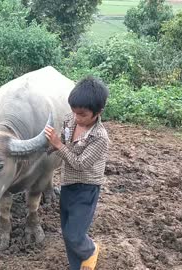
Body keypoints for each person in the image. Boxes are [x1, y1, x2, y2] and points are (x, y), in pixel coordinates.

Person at [45, 76, 110, 270]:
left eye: (82, 114)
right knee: (67, 232)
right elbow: (64, 144)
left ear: (98, 112)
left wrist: (58, 146)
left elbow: (80, 164)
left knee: (75, 234)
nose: (77, 118)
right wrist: (48, 148)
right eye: (74, 112)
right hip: (68, 184)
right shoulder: (69, 121)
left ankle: (90, 250)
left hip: (86, 188)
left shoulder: (99, 138)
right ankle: (78, 266)